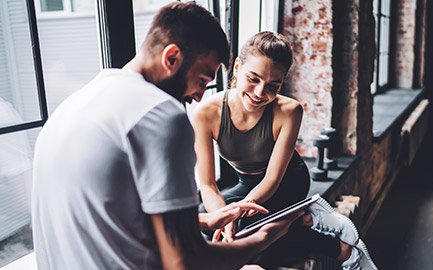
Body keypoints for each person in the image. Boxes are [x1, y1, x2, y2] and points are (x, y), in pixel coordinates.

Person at [31, 3, 303, 270]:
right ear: (171, 58)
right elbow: (185, 262)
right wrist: (262, 238)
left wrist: (204, 221)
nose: (199, 96)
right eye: (201, 80)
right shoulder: (159, 115)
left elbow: (111, 216)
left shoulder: (72, 106)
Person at [193, 31, 378, 269]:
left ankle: (341, 250)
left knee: (256, 228)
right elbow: (207, 184)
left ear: (283, 82)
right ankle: (304, 218)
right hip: (247, 183)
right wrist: (223, 218)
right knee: (205, 221)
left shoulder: (290, 111)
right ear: (237, 67)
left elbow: (271, 179)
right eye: (253, 78)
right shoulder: (206, 113)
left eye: (273, 85)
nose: (260, 92)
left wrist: (237, 213)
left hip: (286, 181)